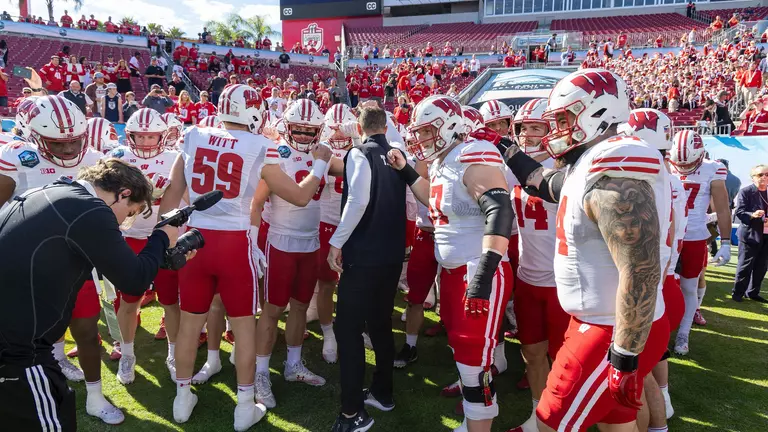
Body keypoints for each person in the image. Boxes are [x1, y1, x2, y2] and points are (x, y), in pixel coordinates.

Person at [500, 69, 671, 431]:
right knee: (616, 425)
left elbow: (640, 267)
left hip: (607, 331)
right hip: (605, 323)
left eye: (564, 118)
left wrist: (623, 355)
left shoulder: (617, 165)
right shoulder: (593, 161)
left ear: (598, 111)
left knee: (548, 423)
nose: (558, 128)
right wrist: (511, 151)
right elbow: (545, 184)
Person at [158, 84, 332, 429]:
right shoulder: (260, 146)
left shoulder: (193, 136)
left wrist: (169, 243)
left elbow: (171, 198)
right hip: (235, 243)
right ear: (254, 113)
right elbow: (299, 196)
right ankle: (243, 406)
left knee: (190, 325)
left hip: (195, 239)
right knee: (244, 328)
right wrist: (322, 163)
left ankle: (181, 398)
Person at [388, 96, 513, 432]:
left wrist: (484, 273)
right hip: (456, 271)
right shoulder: (448, 160)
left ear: (452, 127)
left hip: (477, 270)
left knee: (475, 365)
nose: (422, 139)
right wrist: (406, 171)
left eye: (428, 131)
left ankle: (479, 425)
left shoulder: (473, 153)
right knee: (464, 354)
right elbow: (434, 198)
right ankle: (473, 420)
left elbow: (499, 209)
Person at [326, 104, 409, 431]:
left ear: (360, 128)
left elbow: (358, 200)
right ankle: (383, 391)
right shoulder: (398, 155)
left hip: (364, 255)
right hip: (390, 255)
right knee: (380, 323)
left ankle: (352, 413)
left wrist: (337, 241)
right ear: (385, 127)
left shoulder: (359, 154)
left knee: (348, 329)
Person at [252, 99, 333, 410]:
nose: (301, 134)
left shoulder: (322, 153)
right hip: (281, 242)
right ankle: (260, 373)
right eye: (297, 128)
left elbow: (351, 165)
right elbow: (257, 203)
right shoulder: (274, 153)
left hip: (310, 243)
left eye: (308, 129)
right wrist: (253, 240)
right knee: (272, 310)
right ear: (287, 126)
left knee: (300, 306)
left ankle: (293, 364)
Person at [105, 108, 183, 387]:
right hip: (131, 237)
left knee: (171, 301)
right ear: (131, 135)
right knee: (128, 300)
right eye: (142, 136)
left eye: (153, 136)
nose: (148, 142)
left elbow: (186, 198)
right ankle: (127, 352)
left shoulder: (175, 158)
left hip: (165, 236)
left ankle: (174, 353)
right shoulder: (118, 158)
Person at [668, 130, 732, 355]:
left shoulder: (712, 169)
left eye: (690, 164)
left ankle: (684, 332)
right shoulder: (665, 162)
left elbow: (722, 207)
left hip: (694, 236)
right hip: (668, 235)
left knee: (688, 286)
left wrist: (725, 241)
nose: (683, 168)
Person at [732, 164, 768, 303]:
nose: (764, 177)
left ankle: (753, 292)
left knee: (762, 266)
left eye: (767, 174)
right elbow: (739, 212)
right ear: (753, 178)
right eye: (760, 175)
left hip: (766, 236)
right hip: (750, 235)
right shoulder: (745, 192)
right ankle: (738, 293)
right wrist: (752, 215)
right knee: (745, 265)